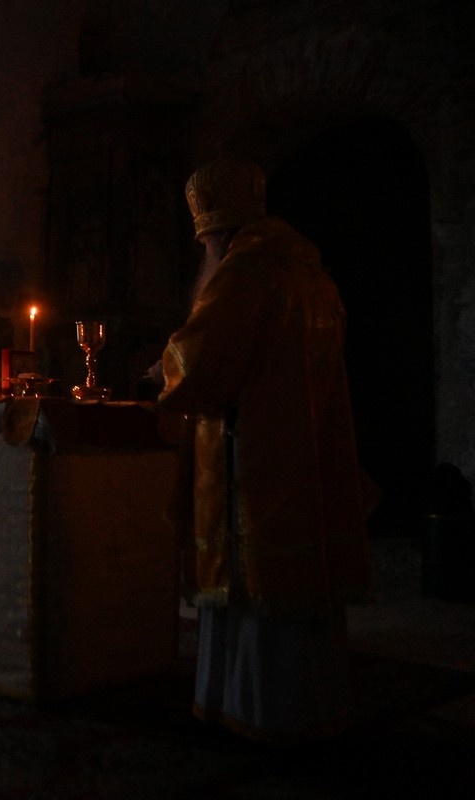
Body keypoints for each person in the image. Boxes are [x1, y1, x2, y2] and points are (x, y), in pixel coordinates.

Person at [158, 157, 371, 743]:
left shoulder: (243, 275)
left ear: (216, 235)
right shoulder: (311, 276)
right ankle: (312, 707)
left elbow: (201, 363)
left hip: (252, 465)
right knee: (302, 588)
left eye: (205, 242)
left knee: (254, 587)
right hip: (306, 459)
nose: (205, 254)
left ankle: (255, 710)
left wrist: (165, 368)